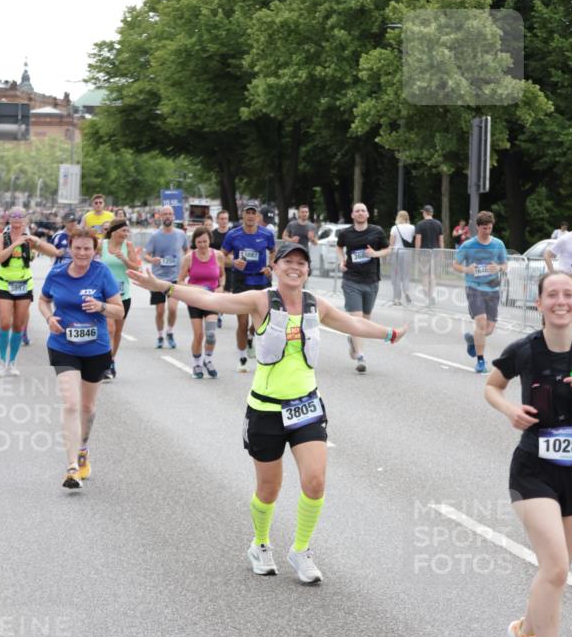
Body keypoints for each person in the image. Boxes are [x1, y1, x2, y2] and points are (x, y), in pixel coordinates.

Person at [128, 242, 407, 582]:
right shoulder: (260, 300)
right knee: (269, 488)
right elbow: (211, 300)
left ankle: (301, 550)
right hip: (266, 409)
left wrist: (389, 334)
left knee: (316, 481)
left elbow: (351, 323)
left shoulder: (314, 304)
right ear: (274, 267)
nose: (295, 267)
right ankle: (260, 543)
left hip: (305, 406)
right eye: (288, 261)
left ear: (307, 270)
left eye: (301, 263)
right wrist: (165, 287)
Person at [485, 271, 572, 637]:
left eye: (568, 294)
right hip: (533, 469)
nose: (561, 301)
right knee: (555, 568)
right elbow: (491, 386)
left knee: (557, 569)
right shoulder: (524, 350)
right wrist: (510, 409)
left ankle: (524, 631)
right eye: (552, 294)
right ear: (539, 303)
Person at [39, 229, 124, 489]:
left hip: (95, 349)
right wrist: (49, 318)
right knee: (71, 403)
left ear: (95, 251)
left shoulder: (102, 273)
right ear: (70, 248)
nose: (82, 253)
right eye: (78, 248)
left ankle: (83, 448)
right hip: (63, 345)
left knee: (87, 407)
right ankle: (72, 468)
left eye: (87, 249)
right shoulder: (57, 273)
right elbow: (43, 301)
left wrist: (100, 307)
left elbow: (119, 312)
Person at [0, 208, 56, 376]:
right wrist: (15, 244)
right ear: (8, 219)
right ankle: (1, 361)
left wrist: (38, 242)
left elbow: (52, 252)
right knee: (5, 322)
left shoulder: (29, 239)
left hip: (24, 284)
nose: (17, 219)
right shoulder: (0, 237)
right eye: (13, 216)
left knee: (18, 324)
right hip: (5, 284)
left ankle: (12, 361)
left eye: (21, 216)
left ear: (26, 220)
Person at [336, 202, 390, 373]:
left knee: (365, 320)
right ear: (352, 215)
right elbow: (339, 247)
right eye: (357, 211)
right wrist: (341, 261)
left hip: (372, 280)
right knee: (357, 319)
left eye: (363, 211)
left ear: (367, 214)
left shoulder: (377, 231)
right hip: (351, 280)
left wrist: (376, 254)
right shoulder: (346, 233)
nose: (360, 213)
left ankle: (353, 341)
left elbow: (387, 249)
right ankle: (360, 356)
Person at [453, 210, 508, 374]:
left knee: (489, 329)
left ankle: (472, 339)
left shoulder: (498, 244)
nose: (487, 231)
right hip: (474, 287)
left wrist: (498, 267)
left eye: (490, 228)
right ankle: (481, 361)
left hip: (493, 288)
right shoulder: (468, 245)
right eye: (484, 228)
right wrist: (467, 269)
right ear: (477, 227)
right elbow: (455, 265)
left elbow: (505, 264)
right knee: (481, 322)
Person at [221, 205, 275, 372]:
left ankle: (252, 337)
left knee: (262, 321)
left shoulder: (266, 234)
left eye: (253, 213)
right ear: (243, 215)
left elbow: (273, 251)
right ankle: (242, 357)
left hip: (260, 281)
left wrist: (270, 267)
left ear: (258, 216)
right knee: (242, 323)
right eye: (248, 213)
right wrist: (233, 262)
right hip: (241, 281)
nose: (251, 216)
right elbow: (220, 256)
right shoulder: (233, 234)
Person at [177, 225, 225, 378]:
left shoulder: (218, 256)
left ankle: (208, 360)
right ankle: (197, 363)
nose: (203, 245)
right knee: (198, 335)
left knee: (210, 334)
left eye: (205, 242)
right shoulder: (189, 258)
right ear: (194, 243)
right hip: (195, 300)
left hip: (211, 300)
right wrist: (196, 287)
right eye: (199, 242)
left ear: (210, 240)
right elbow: (180, 281)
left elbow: (222, 275)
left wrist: (221, 287)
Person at [143, 205, 188, 348]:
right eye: (165, 214)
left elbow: (188, 251)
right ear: (161, 217)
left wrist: (187, 264)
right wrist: (152, 260)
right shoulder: (155, 236)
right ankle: (160, 335)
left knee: (173, 309)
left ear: (173, 216)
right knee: (160, 310)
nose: (168, 216)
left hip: (175, 277)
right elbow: (145, 254)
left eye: (170, 214)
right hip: (158, 279)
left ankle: (170, 331)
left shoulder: (181, 234)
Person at [100, 218, 140, 379]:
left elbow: (136, 267)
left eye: (127, 231)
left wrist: (124, 259)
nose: (126, 234)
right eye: (123, 230)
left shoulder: (128, 246)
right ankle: (104, 363)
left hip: (123, 294)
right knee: (109, 329)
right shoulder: (101, 245)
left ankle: (111, 361)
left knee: (117, 331)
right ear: (114, 230)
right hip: (105, 294)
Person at [414, 205, 444, 305]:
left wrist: (416, 252)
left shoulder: (420, 224)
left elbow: (418, 239)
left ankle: (426, 297)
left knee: (424, 275)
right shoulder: (438, 224)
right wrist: (442, 252)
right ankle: (433, 295)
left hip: (424, 253)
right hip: (435, 252)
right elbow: (441, 240)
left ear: (425, 212)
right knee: (432, 275)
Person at [389, 210, 415, 306]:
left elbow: (391, 243)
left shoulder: (394, 228)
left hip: (396, 252)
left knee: (396, 275)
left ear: (398, 217)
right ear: (407, 217)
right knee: (406, 275)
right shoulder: (412, 228)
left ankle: (397, 298)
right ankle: (407, 292)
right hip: (408, 253)